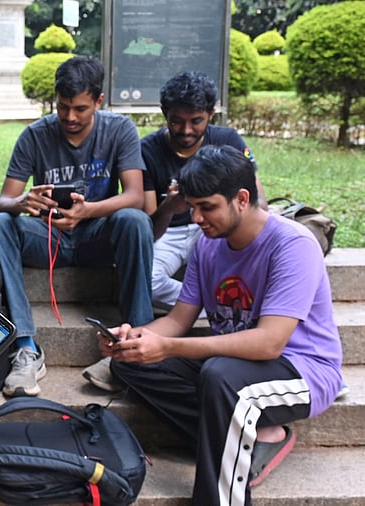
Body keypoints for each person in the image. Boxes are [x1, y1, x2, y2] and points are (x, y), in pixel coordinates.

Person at [102, 145, 342, 505]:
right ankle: (253, 434)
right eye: (193, 207)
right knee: (131, 365)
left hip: (304, 372)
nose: (197, 218)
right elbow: (178, 320)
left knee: (221, 377)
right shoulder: (207, 246)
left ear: (242, 199)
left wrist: (168, 347)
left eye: (207, 207)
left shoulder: (292, 245)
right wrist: (136, 339)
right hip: (235, 366)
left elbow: (269, 344)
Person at [0, 56, 154, 397]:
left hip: (96, 236)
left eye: (80, 109)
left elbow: (135, 196)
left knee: (134, 221)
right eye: (63, 107)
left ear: (99, 102)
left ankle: (135, 341)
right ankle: (26, 347)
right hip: (49, 238)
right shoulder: (35, 135)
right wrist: (23, 203)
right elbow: (5, 200)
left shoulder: (119, 129)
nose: (70, 117)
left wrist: (88, 212)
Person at [82, 71, 263, 392]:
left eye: (196, 121)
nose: (187, 130)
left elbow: (254, 199)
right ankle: (220, 306)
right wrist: (173, 205)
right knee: (146, 278)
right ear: (165, 116)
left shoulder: (229, 141)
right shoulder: (149, 150)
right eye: (177, 121)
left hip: (221, 228)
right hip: (173, 232)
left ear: (211, 115)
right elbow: (148, 229)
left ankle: (221, 305)